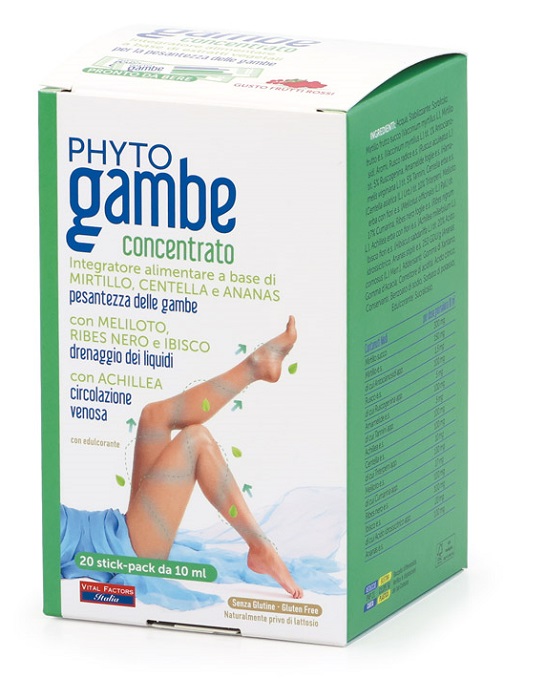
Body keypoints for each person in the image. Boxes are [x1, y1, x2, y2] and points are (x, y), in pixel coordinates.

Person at [117, 315, 303, 599]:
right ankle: (260, 548)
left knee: (153, 415)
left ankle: (256, 365)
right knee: (196, 440)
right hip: (127, 549)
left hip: (114, 527)